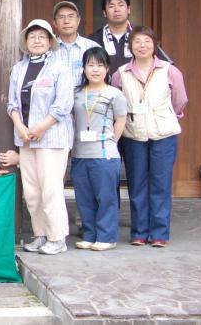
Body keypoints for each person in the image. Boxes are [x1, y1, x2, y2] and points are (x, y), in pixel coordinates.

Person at [111, 26, 187, 247]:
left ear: (154, 45)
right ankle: (139, 232)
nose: (142, 46)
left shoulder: (170, 70)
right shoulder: (121, 73)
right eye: (137, 42)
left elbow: (179, 100)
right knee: (137, 184)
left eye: (146, 41)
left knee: (161, 184)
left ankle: (160, 233)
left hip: (163, 134)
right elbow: (117, 102)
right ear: (130, 46)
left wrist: (165, 116)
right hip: (133, 135)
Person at [8, 19, 74, 256]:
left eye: (42, 37)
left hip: (52, 138)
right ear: (26, 42)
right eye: (32, 36)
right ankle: (40, 234)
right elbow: (12, 104)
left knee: (50, 189)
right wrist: (21, 127)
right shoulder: (19, 68)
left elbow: (63, 105)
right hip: (25, 138)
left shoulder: (59, 67)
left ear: (50, 41)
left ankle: (57, 237)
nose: (37, 41)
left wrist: (41, 128)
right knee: (32, 191)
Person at [71, 47, 127, 252]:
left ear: (107, 68)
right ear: (84, 68)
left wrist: (111, 140)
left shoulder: (114, 94)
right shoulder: (77, 93)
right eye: (90, 64)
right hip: (79, 154)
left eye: (100, 65)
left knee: (106, 198)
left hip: (104, 155)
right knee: (84, 198)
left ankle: (106, 236)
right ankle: (89, 235)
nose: (95, 69)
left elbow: (121, 120)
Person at [53, 1, 100, 83]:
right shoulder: (48, 49)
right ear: (54, 23)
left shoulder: (93, 47)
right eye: (61, 17)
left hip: (86, 95)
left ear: (78, 20)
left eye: (71, 16)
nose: (66, 21)